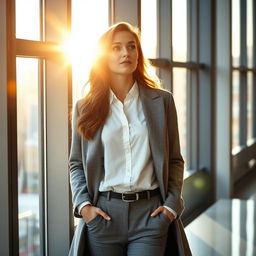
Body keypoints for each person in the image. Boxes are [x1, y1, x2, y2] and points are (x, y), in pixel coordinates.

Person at [68, 22, 191, 256]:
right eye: (116, 48)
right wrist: (84, 207)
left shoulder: (162, 102)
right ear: (103, 56)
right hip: (103, 215)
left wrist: (171, 207)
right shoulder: (85, 107)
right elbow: (76, 164)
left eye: (131, 46)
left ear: (138, 53)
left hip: (151, 215)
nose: (126, 53)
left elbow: (175, 160)